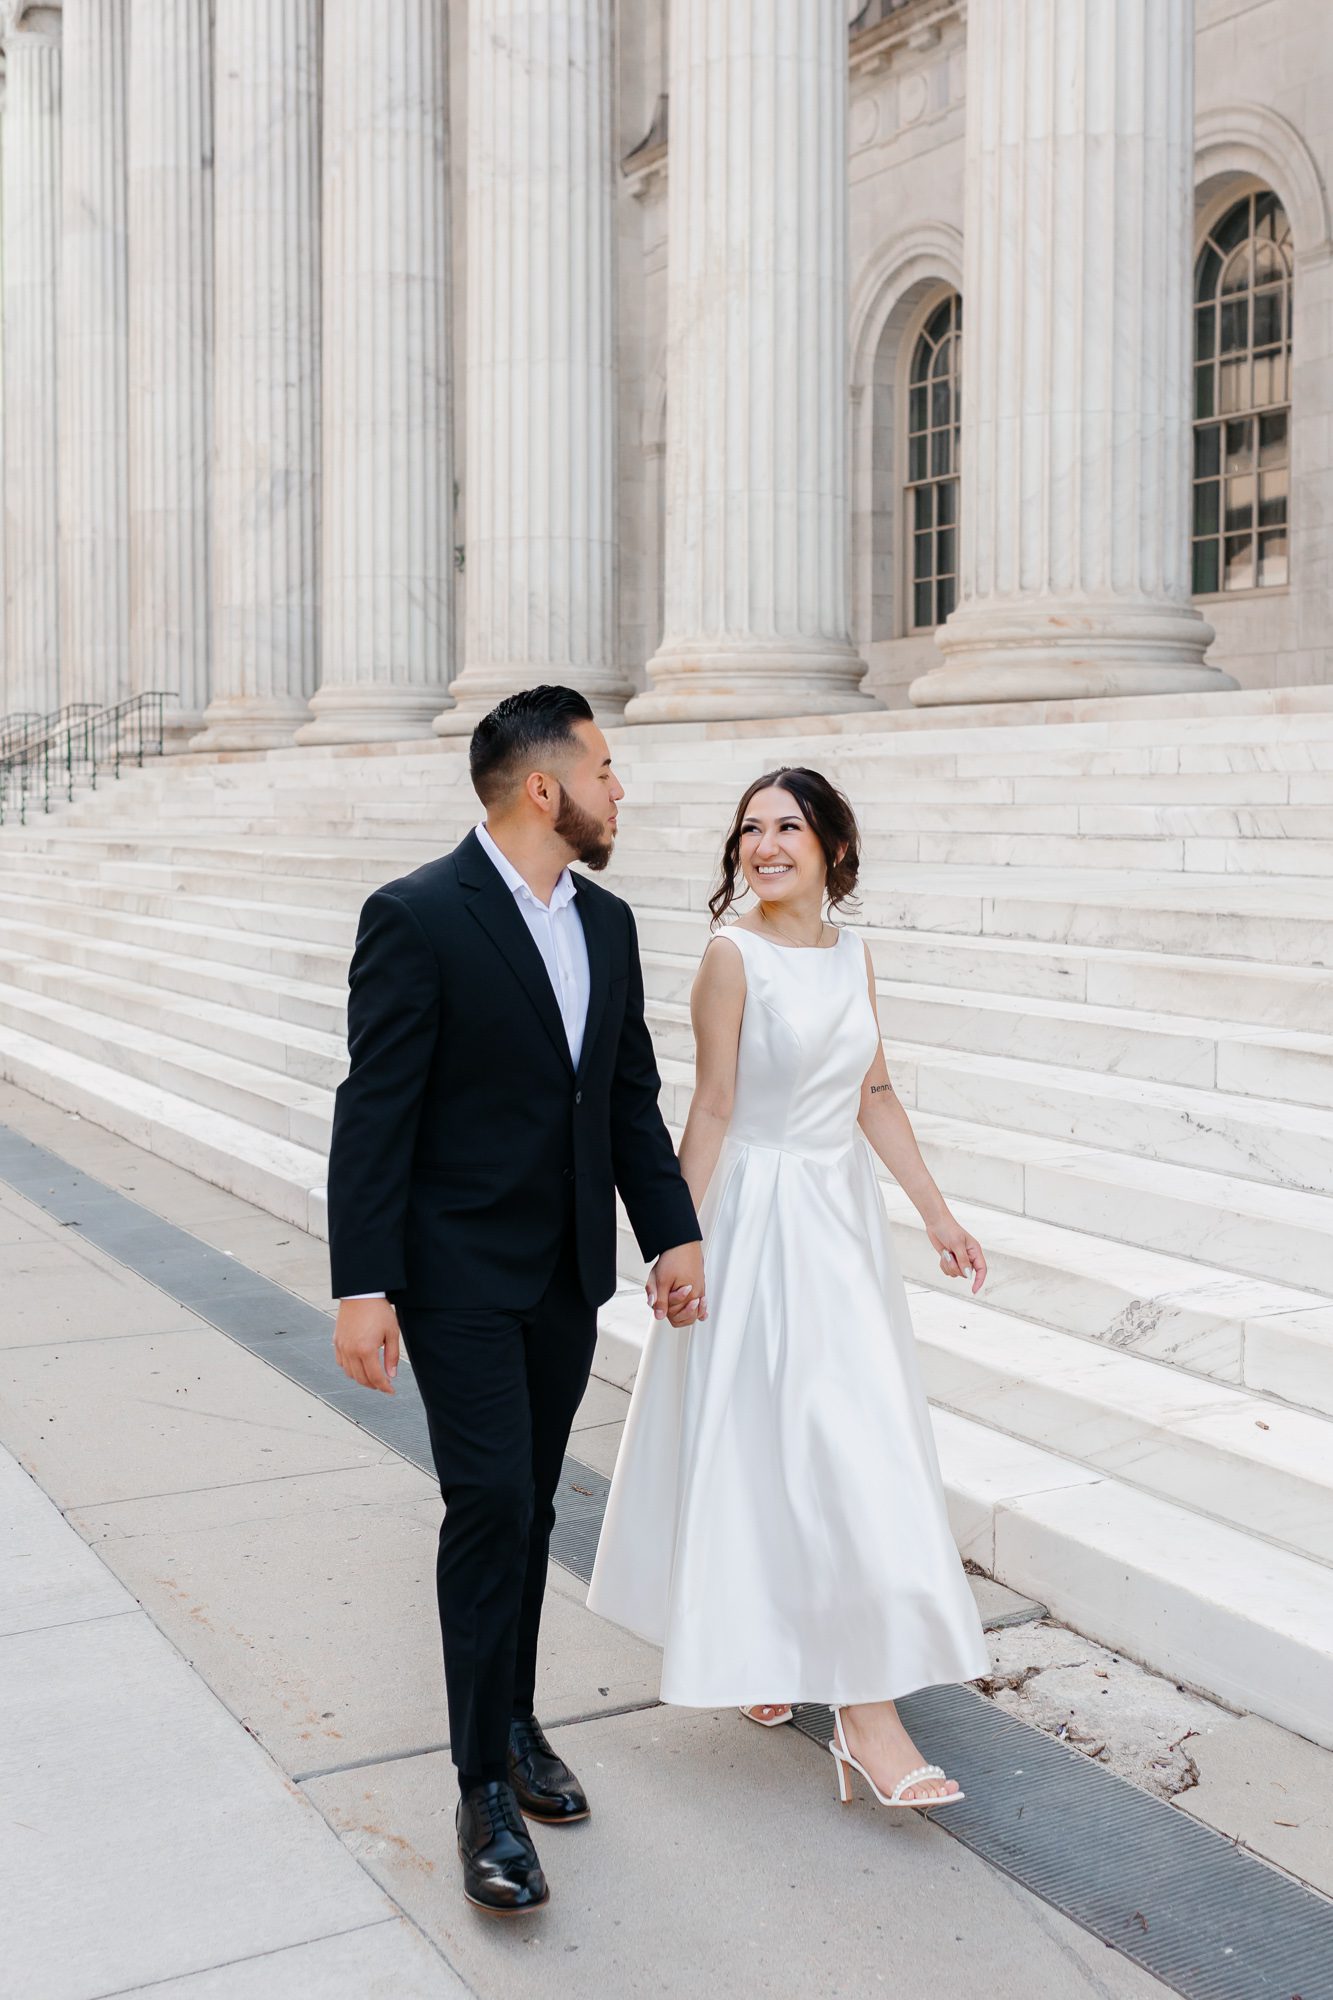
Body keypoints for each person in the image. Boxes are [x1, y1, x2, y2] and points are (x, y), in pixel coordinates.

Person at [326, 686, 704, 1915]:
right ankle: (481, 1781)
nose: (619, 786)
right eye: (605, 765)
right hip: (453, 1278)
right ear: (545, 787)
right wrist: (361, 1284)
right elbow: (373, 1109)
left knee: (530, 1507)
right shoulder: (419, 916)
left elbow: (628, 1098)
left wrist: (672, 1233)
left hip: (561, 1274)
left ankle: (517, 1713)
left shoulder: (610, 920)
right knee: (487, 1501)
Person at [587, 766, 990, 1811]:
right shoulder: (730, 958)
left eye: (788, 826)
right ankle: (866, 1713)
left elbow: (875, 1090)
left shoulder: (853, 953)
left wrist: (937, 1214)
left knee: (844, 1438)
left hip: (840, 1222)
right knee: (776, 1433)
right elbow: (713, 1108)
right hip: (753, 1218)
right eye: (749, 828)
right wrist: (677, 1237)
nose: (764, 844)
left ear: (831, 848)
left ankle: (801, 1658)